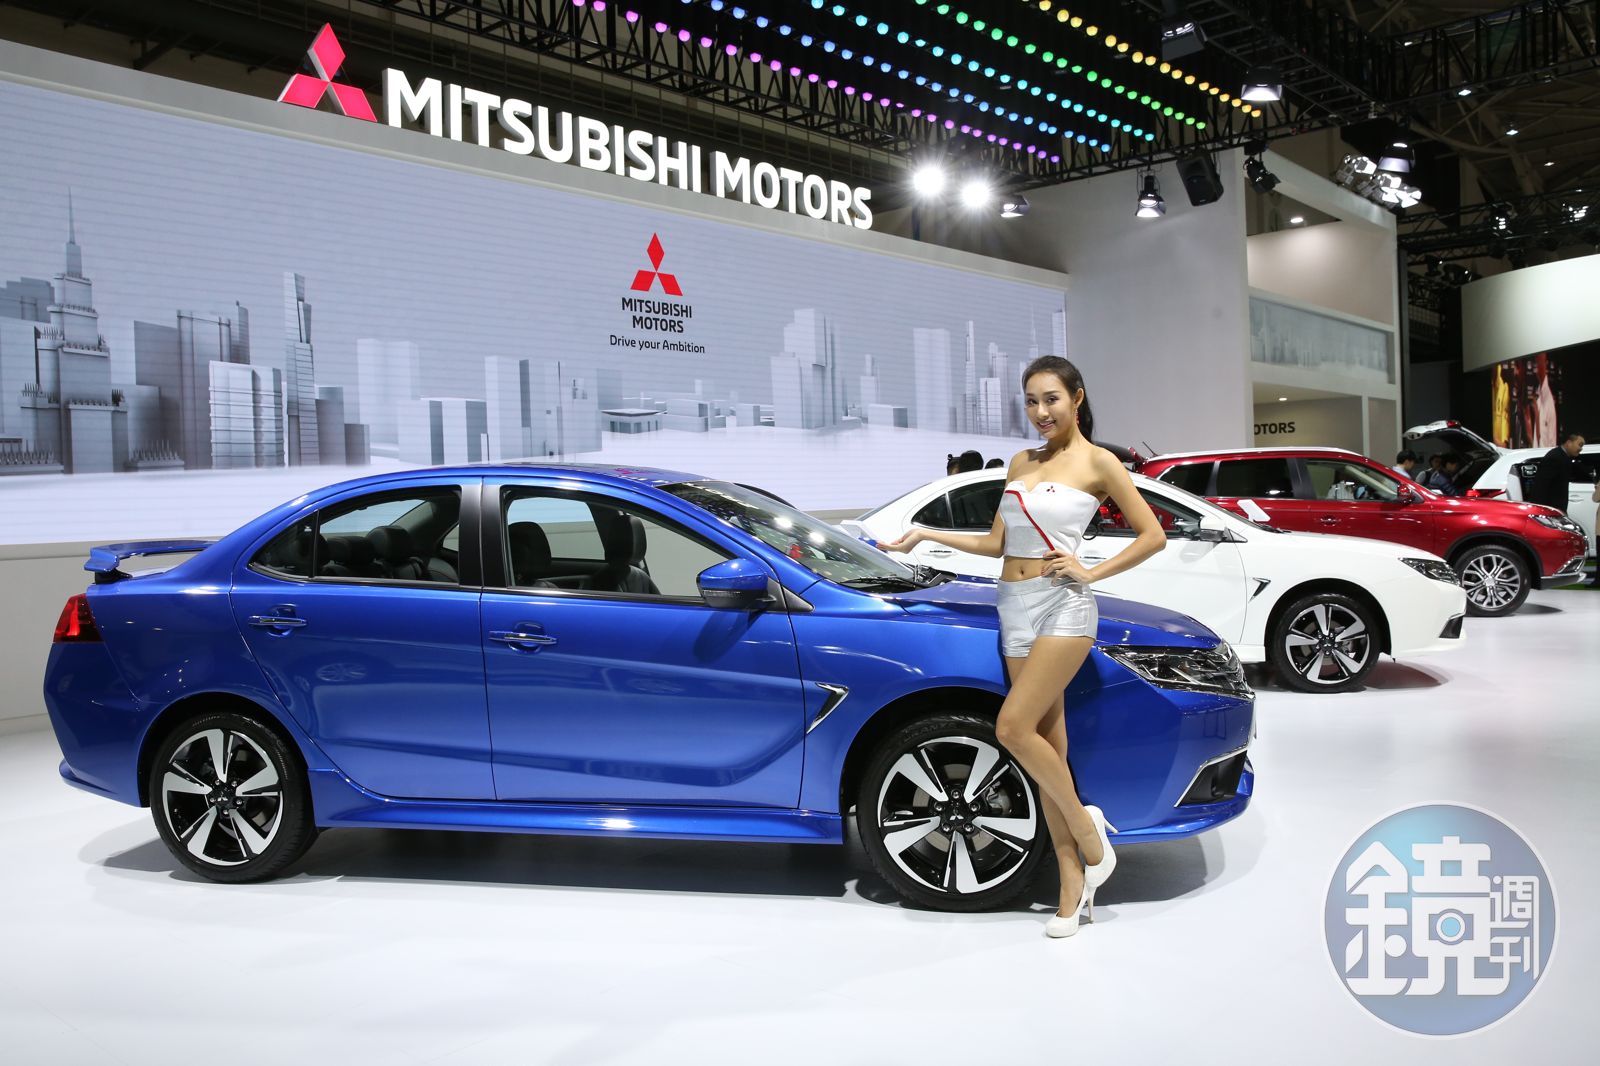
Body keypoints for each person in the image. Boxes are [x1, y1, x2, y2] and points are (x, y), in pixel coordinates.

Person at [880, 356, 1165, 938]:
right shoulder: (1019, 462)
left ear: (1077, 398)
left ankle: (1090, 838)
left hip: (1064, 605)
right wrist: (926, 533)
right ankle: (1072, 881)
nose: (1040, 412)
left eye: (1051, 399)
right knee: (1047, 750)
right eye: (1031, 401)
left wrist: (1091, 571)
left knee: (1012, 728)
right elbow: (997, 544)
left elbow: (1153, 535)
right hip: (1012, 607)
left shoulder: (1100, 462)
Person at [1525, 432, 1590, 512]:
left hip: (1555, 509)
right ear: (1569, 443)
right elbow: (1541, 486)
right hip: (1550, 510)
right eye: (1580, 445)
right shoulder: (1555, 458)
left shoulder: (1563, 457)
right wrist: (1542, 511)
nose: (1581, 449)